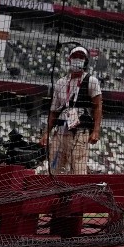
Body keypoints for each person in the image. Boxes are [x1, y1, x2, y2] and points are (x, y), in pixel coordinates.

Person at [46, 46, 102, 175]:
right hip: (60, 131)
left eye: (81, 57)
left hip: (80, 132)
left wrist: (96, 131)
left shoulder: (91, 81)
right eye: (75, 57)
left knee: (78, 169)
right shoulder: (61, 83)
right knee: (54, 169)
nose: (77, 60)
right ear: (69, 59)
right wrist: (46, 133)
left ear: (86, 61)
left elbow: (98, 106)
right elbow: (53, 111)